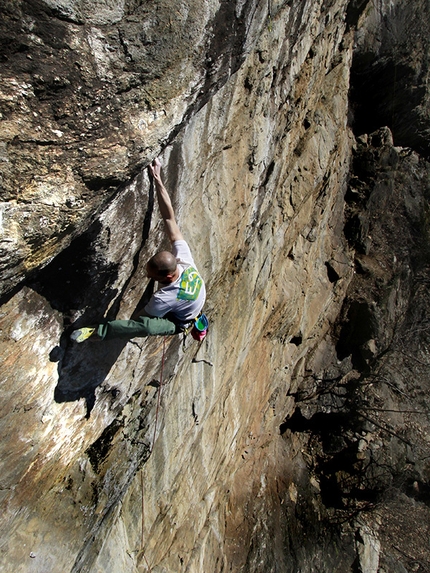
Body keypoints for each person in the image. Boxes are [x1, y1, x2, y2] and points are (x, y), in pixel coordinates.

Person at [71, 158, 206, 343]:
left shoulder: (163, 298)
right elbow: (169, 219)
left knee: (145, 326)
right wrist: (157, 178)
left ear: (167, 277)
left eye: (152, 277)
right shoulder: (184, 258)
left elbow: (135, 323)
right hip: (190, 302)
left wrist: (124, 326)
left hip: (179, 321)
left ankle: (96, 332)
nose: (148, 278)